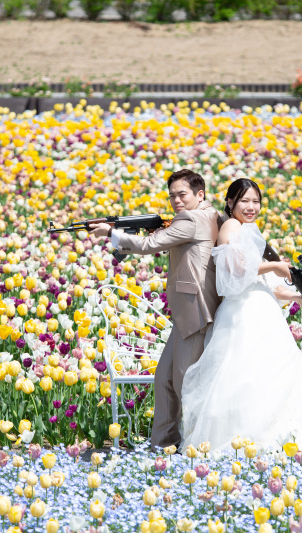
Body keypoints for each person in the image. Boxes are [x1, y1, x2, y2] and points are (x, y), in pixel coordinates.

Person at [180, 178, 302, 454]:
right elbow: (235, 271)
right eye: (244, 201)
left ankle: (279, 442)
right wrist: (275, 265)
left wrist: (297, 298)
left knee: (277, 375)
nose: (251, 207)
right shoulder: (230, 226)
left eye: (256, 201)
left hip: (263, 311)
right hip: (242, 315)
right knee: (246, 376)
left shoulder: (249, 229)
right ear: (230, 202)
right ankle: (249, 442)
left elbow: (261, 281)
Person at [89, 169, 221, 449]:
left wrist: (111, 232)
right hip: (188, 312)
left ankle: (195, 446)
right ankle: (162, 443)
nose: (176, 201)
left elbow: (150, 244)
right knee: (164, 378)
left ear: (200, 194)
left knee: (185, 383)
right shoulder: (210, 213)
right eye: (172, 196)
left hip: (195, 312)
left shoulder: (191, 218)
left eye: (182, 194)